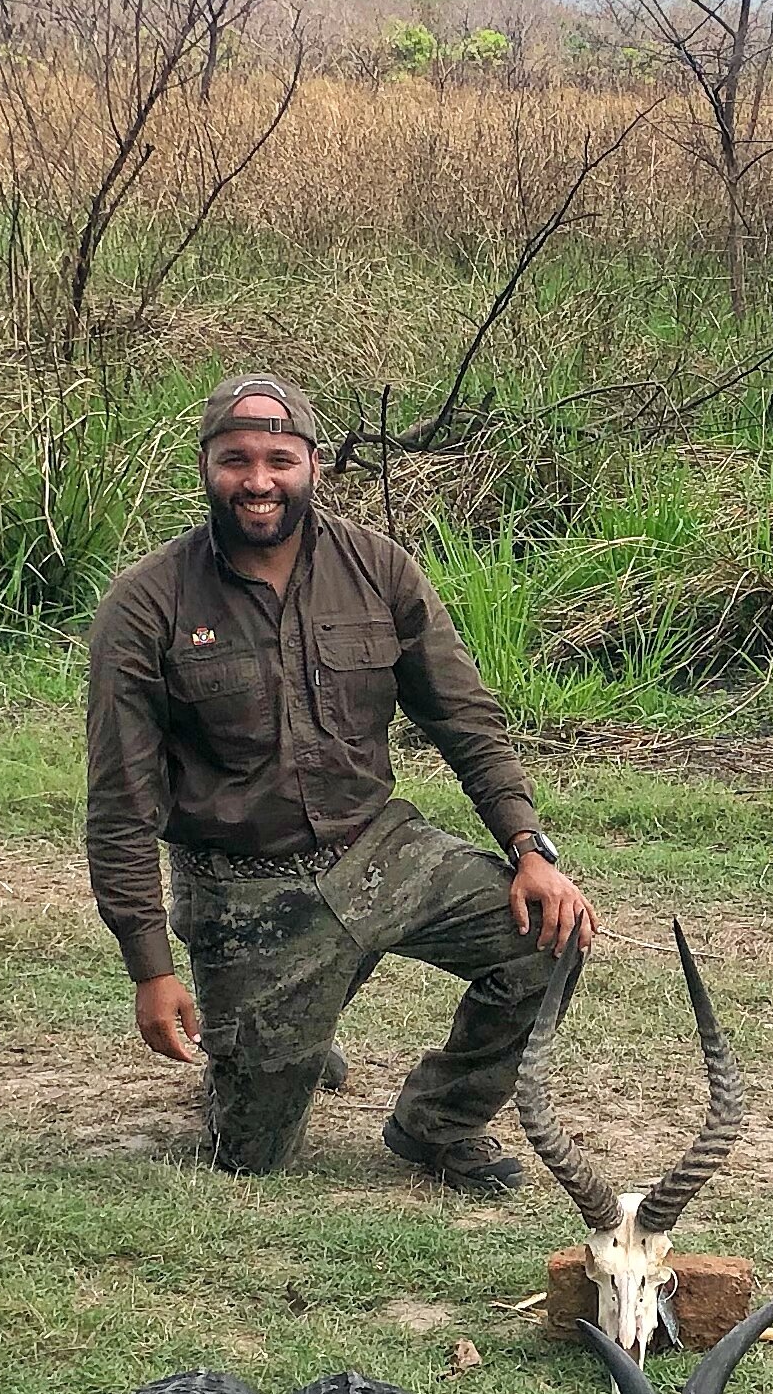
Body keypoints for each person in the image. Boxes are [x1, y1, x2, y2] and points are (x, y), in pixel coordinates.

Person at [84, 372, 596, 1190]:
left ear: (314, 466)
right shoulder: (146, 603)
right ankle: (267, 1040)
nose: (258, 481)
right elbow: (118, 807)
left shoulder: (379, 569)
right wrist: (150, 968)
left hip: (376, 850)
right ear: (206, 468)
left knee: (551, 937)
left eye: (279, 459)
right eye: (235, 460)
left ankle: (437, 1122)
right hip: (244, 884)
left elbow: (464, 715)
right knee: (250, 1159)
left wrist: (529, 846)